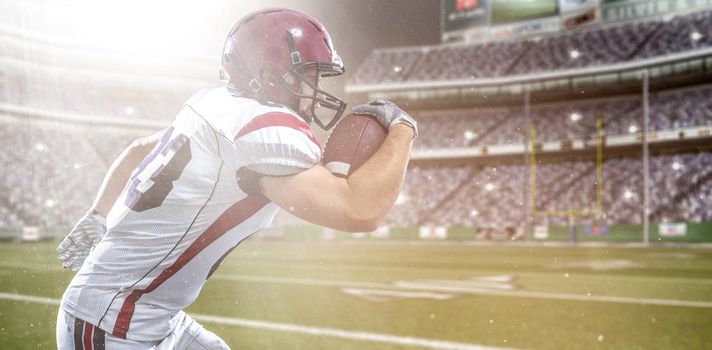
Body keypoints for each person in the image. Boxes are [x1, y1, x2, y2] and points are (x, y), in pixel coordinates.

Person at [56, 8, 417, 350]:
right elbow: (359, 210)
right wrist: (404, 129)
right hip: (112, 322)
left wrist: (97, 216)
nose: (316, 88)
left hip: (147, 314)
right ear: (273, 75)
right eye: (309, 76)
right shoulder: (262, 128)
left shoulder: (212, 102)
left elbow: (137, 149)